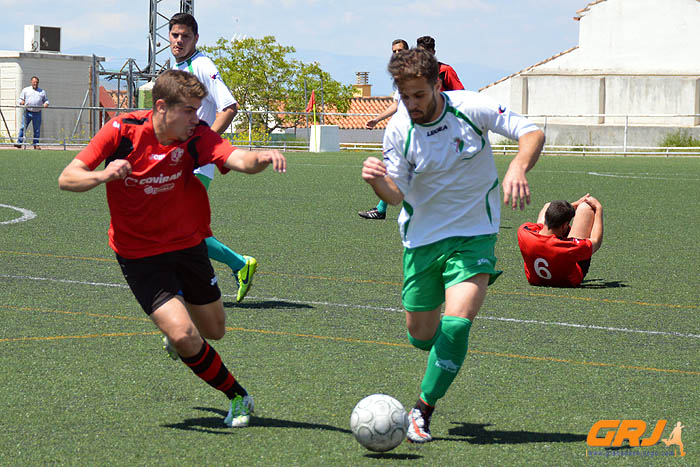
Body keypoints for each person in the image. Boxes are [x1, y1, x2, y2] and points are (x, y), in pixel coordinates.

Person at [58, 69, 287, 428]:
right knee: (184, 335)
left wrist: (262, 157)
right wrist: (102, 175)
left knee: (214, 330)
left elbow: (236, 159)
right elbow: (67, 177)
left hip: (187, 244)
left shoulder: (195, 136)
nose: (198, 119)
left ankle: (179, 332)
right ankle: (238, 396)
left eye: (199, 110)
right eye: (191, 111)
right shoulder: (121, 132)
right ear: (162, 107)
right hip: (138, 254)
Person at [361, 48, 544, 443]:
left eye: (419, 95)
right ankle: (435, 353)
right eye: (404, 96)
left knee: (457, 324)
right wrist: (377, 180)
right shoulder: (399, 130)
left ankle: (421, 410)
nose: (412, 105)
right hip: (422, 240)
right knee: (422, 336)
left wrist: (517, 166)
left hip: (475, 233)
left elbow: (532, 131)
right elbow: (396, 195)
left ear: (436, 85)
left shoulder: (471, 108)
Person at [169, 13, 256, 304]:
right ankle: (238, 265)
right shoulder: (176, 66)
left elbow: (229, 106)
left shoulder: (203, 65)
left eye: (185, 36)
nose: (179, 40)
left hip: (197, 164)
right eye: (175, 35)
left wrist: (203, 146)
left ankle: (206, 280)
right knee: (180, 228)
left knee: (182, 229)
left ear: (196, 38)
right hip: (180, 159)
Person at [359, 39, 409, 221]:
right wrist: (377, 119)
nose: (397, 54)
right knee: (393, 167)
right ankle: (381, 209)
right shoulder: (399, 76)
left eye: (400, 50)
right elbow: (396, 105)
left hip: (415, 130)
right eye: (394, 51)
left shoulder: (416, 73)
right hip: (402, 131)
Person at [517, 194, 603, 287]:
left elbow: (547, 217)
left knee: (548, 206)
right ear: (563, 226)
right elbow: (596, 240)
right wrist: (598, 209)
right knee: (585, 207)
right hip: (567, 281)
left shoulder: (523, 232)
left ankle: (558, 214)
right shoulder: (569, 248)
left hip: (536, 280)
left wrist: (571, 206)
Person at [16, 76, 49, 149]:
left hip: (37, 113)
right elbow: (19, 99)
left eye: (37, 82)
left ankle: (36, 144)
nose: (35, 83)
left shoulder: (42, 91)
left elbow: (46, 100)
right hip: (27, 112)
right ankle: (19, 142)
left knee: (37, 129)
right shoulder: (26, 90)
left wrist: (46, 103)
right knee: (23, 127)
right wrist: (21, 102)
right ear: (31, 82)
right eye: (34, 82)